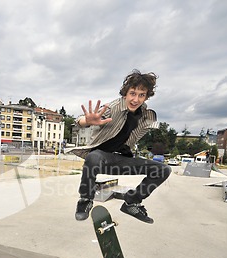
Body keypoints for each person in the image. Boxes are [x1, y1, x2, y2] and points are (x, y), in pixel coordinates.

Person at [69, 69, 171, 224]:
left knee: (163, 169)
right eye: (132, 93)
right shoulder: (113, 108)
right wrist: (87, 121)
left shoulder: (145, 114)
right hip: (101, 158)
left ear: (146, 97)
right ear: (125, 93)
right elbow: (79, 121)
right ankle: (85, 199)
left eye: (141, 95)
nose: (135, 99)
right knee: (93, 156)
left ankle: (132, 202)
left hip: (122, 159)